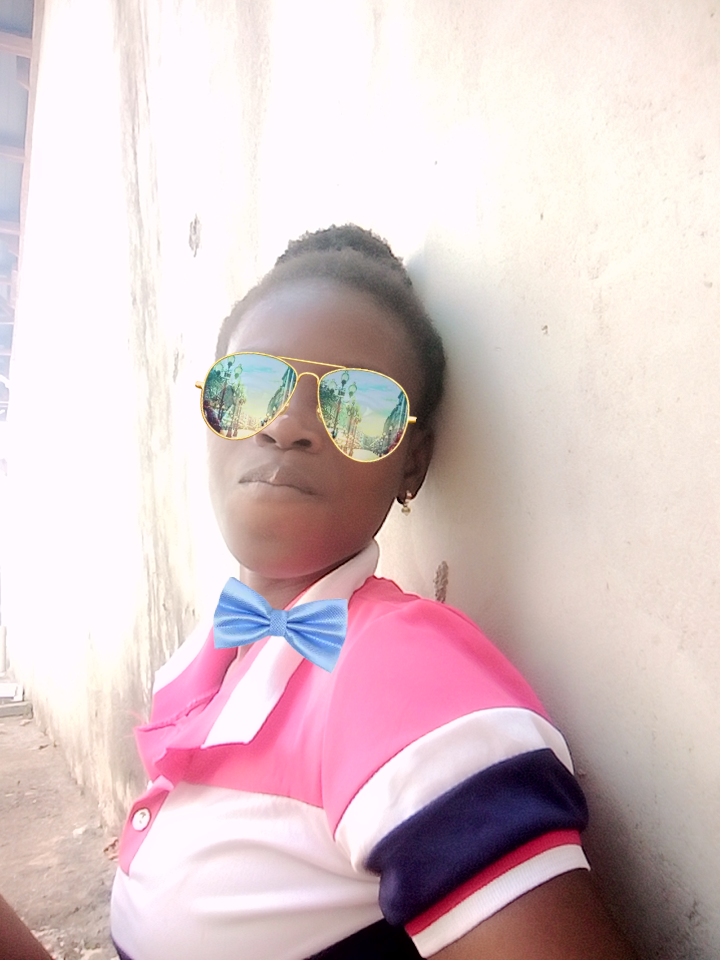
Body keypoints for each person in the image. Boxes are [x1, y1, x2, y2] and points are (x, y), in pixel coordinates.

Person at [0, 226, 638, 960]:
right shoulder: (216, 657)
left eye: (357, 405)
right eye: (250, 386)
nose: (287, 425)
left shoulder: (401, 677)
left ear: (411, 465)